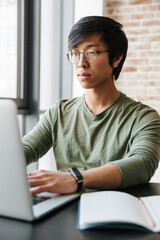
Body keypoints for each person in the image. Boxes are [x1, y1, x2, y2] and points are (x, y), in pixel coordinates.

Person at [22, 16, 160, 195]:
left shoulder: (143, 117)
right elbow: (24, 151)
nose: (81, 63)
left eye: (91, 53)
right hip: (63, 208)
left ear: (116, 58)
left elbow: (143, 163)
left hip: (114, 211)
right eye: (75, 53)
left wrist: (75, 179)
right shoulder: (59, 112)